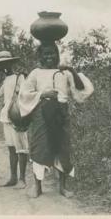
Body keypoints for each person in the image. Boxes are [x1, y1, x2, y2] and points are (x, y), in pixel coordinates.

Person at [18, 42, 94, 198]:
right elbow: (24, 94)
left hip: (61, 113)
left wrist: (71, 70)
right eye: (45, 54)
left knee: (62, 148)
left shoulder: (63, 73)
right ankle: (37, 187)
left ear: (57, 54)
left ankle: (63, 187)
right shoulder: (36, 73)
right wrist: (43, 94)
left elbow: (80, 89)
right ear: (40, 56)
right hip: (41, 114)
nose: (49, 56)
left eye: (52, 53)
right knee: (39, 147)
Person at [0, 51, 28, 189]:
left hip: (17, 116)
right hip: (6, 117)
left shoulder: (20, 77)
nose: (4, 68)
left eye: (5, 64)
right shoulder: (6, 80)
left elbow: (26, 95)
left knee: (21, 149)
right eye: (1, 65)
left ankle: (22, 179)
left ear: (11, 63)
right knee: (12, 148)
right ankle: (13, 177)